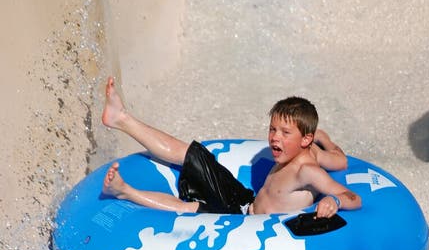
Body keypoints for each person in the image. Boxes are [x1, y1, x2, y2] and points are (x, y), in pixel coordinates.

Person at [101, 78, 362, 218]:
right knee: (194, 154)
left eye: (284, 133)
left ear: (305, 139)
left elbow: (353, 196)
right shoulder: (306, 151)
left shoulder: (308, 170)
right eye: (272, 129)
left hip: (246, 226)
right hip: (244, 202)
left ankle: (125, 191)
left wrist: (334, 200)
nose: (274, 138)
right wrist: (326, 141)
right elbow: (341, 160)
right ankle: (121, 118)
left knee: (190, 210)